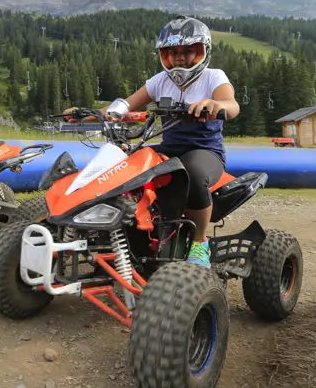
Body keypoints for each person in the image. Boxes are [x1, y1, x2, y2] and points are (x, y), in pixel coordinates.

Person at [64, 16, 239, 268]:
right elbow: (122, 107)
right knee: (124, 169)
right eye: (173, 52)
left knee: (193, 173)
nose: (180, 57)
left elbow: (232, 105)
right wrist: (85, 114)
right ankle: (125, 233)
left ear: (202, 52)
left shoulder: (213, 77)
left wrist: (216, 105)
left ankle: (200, 244)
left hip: (205, 150)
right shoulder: (159, 81)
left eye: (189, 51)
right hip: (168, 148)